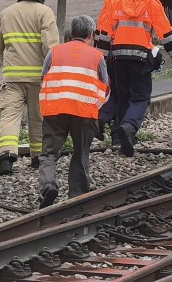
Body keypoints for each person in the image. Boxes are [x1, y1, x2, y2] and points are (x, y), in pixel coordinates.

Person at [96, 0, 172, 157]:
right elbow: (166, 32)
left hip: (117, 58)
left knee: (122, 96)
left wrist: (99, 59)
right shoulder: (152, 4)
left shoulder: (112, 2)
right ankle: (128, 127)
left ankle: (119, 138)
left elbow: (102, 33)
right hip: (140, 59)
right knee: (140, 98)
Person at [37, 15, 109, 208]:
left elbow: (44, 77)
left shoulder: (55, 51)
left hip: (55, 109)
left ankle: (48, 186)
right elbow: (105, 85)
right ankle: (77, 196)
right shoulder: (97, 56)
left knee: (49, 153)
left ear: (71, 33)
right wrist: (96, 105)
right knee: (81, 152)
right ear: (91, 34)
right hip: (84, 111)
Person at [0, 0, 59, 175]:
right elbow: (50, 48)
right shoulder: (44, 13)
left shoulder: (6, 12)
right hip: (37, 78)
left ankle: (6, 156)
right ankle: (37, 158)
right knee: (38, 118)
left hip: (12, 76)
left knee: (10, 117)